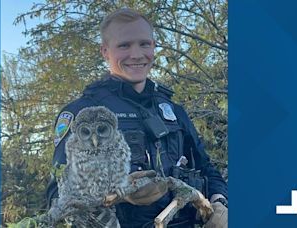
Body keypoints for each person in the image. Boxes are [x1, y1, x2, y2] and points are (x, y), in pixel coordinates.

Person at [46, 8, 228, 228]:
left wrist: (220, 202)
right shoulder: (82, 114)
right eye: (124, 45)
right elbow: (60, 194)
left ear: (153, 46)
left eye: (144, 44)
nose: (136, 54)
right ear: (105, 51)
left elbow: (206, 168)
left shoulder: (173, 110)